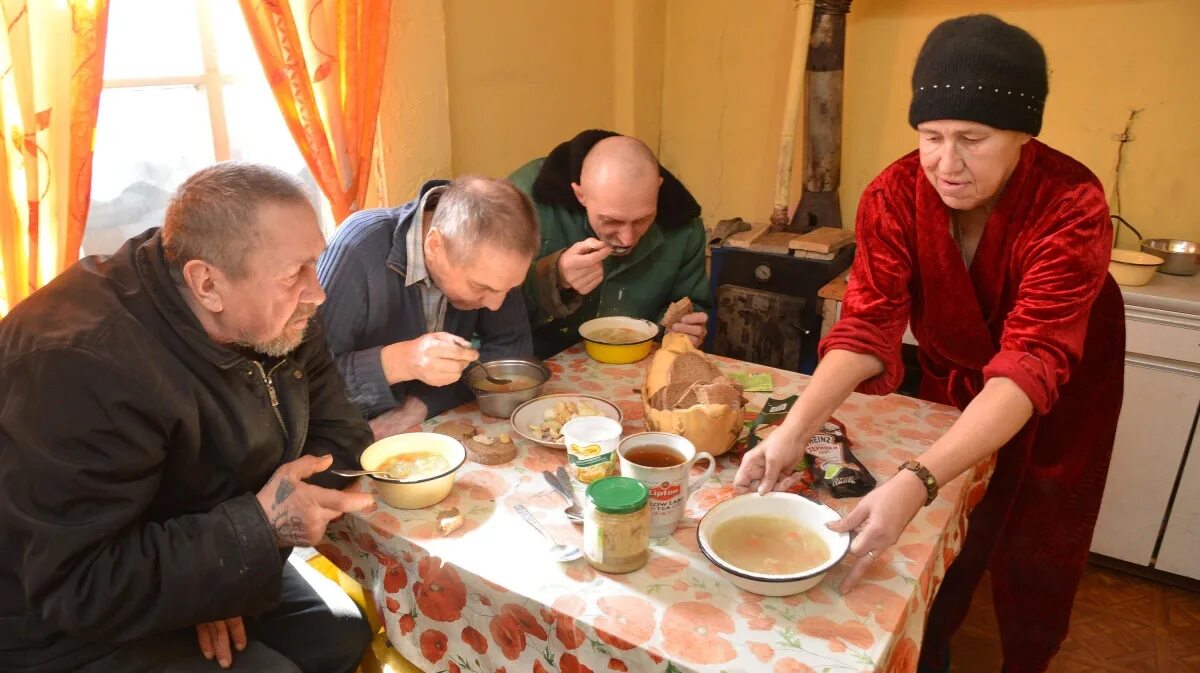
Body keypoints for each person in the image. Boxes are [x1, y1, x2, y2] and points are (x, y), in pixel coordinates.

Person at [733, 15, 1124, 673]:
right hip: (961, 370)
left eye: (972, 138)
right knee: (953, 520)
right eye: (931, 136)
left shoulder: (1071, 201)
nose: (947, 162)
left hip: (1064, 377)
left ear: (1025, 136)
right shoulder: (892, 193)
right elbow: (864, 326)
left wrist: (915, 478)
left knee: (1040, 535)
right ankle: (931, 646)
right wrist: (796, 428)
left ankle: (1026, 658)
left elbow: (1031, 363)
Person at [0, 163, 377, 673]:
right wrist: (245, 541)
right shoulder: (79, 364)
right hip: (57, 621)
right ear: (206, 284)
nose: (318, 292)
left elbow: (339, 436)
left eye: (316, 262)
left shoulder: (279, 314)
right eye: (294, 275)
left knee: (340, 637)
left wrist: (222, 574)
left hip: (193, 551)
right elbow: (78, 583)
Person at [318, 176, 539, 438]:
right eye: (481, 287)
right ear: (435, 246)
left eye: (509, 288)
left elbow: (511, 349)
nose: (496, 304)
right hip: (350, 438)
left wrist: (419, 407)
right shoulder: (357, 247)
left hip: (429, 426)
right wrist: (403, 361)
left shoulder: (494, 262)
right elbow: (308, 389)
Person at [509, 130, 712, 358]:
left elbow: (691, 303)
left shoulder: (683, 225)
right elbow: (481, 309)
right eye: (611, 221)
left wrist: (680, 329)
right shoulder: (521, 202)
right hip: (537, 362)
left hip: (636, 362)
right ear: (580, 194)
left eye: (642, 220)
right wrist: (553, 277)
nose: (627, 239)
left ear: (658, 187)